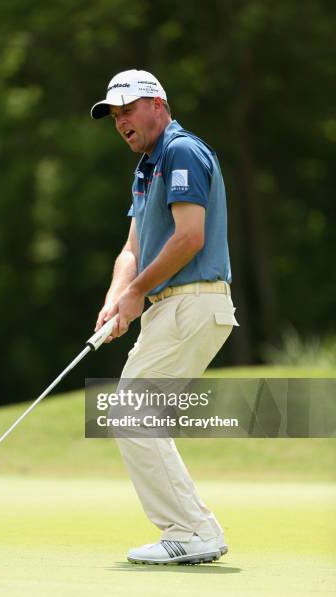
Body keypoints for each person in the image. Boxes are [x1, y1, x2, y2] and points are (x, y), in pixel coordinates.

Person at [91, 69, 239, 564]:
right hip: (169, 307)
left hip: (193, 301)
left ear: (158, 104)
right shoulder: (147, 168)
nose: (121, 122)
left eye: (128, 109)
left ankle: (192, 531)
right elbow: (133, 247)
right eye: (114, 115)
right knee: (137, 413)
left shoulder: (181, 151)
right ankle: (193, 528)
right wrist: (118, 297)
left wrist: (136, 293)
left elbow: (190, 236)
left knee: (132, 411)